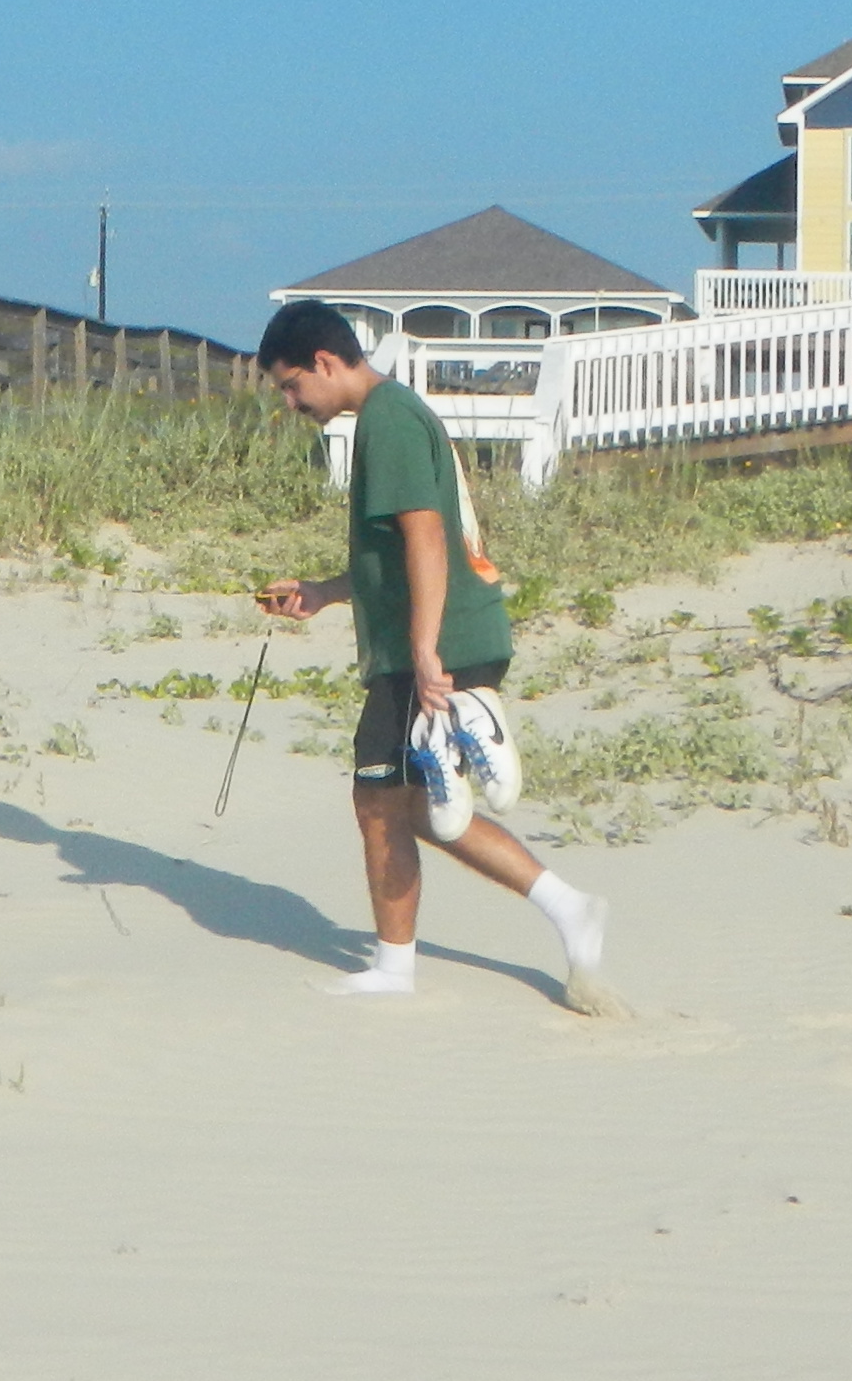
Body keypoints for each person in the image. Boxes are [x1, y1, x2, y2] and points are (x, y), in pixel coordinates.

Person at [251, 302, 614, 1009]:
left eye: (292, 385)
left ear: (325, 362)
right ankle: (570, 908)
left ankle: (394, 968)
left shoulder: (386, 418)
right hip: (446, 635)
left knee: (378, 800)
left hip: (434, 644)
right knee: (418, 810)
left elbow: (425, 538)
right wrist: (327, 591)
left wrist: (422, 649)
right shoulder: (393, 416)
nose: (292, 403)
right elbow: (396, 554)